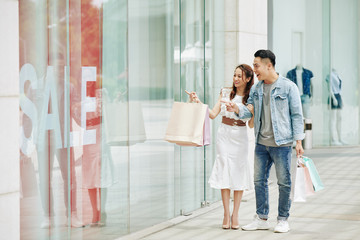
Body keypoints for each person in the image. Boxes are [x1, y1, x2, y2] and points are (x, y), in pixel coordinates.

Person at [224, 49, 305, 233]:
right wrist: (236, 108)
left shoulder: (288, 87)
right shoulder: (256, 88)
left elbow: (297, 116)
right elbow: (248, 112)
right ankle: (262, 218)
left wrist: (298, 141)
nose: (254, 70)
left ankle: (283, 219)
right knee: (259, 181)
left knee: (284, 183)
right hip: (261, 142)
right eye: (253, 65)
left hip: (282, 143)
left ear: (269, 66)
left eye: (256, 65)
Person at [188, 64, 255, 230]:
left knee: (238, 173)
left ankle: (236, 214)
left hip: (240, 135)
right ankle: (226, 213)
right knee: (224, 170)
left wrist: (243, 110)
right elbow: (212, 114)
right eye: (234, 75)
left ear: (248, 79)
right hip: (224, 134)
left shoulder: (251, 97)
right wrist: (198, 102)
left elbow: (252, 124)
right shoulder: (226, 92)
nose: (236, 79)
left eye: (240, 76)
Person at [326, 68, 344, 145]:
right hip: (333, 97)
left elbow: (340, 88)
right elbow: (329, 88)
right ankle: (332, 139)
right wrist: (333, 98)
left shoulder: (337, 75)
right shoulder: (329, 75)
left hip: (339, 96)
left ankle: (340, 138)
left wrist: (341, 99)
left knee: (339, 119)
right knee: (332, 119)